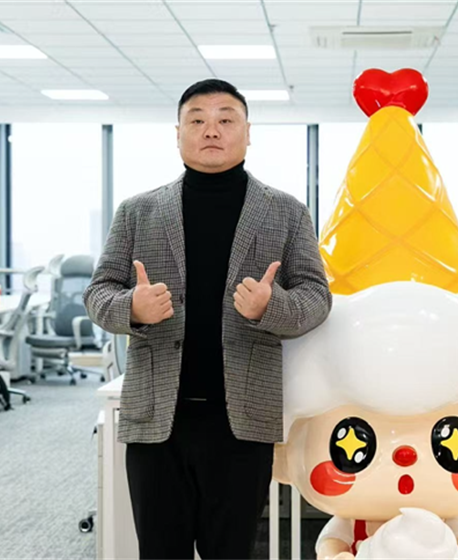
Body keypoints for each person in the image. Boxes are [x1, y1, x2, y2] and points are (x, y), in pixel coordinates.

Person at [83, 79, 332, 559]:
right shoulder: (137, 211)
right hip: (158, 418)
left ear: (247, 132)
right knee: (160, 551)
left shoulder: (287, 212)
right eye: (197, 120)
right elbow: (98, 292)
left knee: (230, 551)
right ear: (178, 133)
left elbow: (316, 297)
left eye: (225, 119)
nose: (211, 130)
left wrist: (271, 307)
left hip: (241, 420)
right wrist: (132, 308)